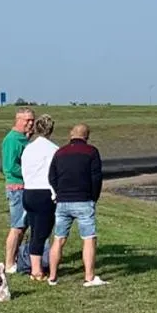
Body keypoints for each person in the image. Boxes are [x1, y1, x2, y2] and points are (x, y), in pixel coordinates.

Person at [47, 123, 107, 287]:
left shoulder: (60, 152)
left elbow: (51, 176)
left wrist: (59, 192)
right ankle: (89, 277)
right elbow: (96, 178)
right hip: (83, 200)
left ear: (70, 135)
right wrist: (93, 198)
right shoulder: (91, 152)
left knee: (59, 238)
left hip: (63, 201)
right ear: (87, 136)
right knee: (89, 238)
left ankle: (52, 276)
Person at [19, 115, 59, 280]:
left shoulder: (29, 148)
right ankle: (36, 270)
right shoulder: (54, 149)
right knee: (41, 233)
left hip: (29, 191)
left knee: (36, 229)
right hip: (44, 192)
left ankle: (37, 265)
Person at [0, 108, 35, 273]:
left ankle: (16, 257)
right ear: (18, 120)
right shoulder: (12, 140)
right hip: (17, 186)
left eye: (32, 120)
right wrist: (29, 174)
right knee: (17, 226)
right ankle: (8, 263)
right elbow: (10, 166)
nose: (30, 123)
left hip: (26, 187)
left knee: (23, 225)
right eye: (27, 120)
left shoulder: (23, 139)